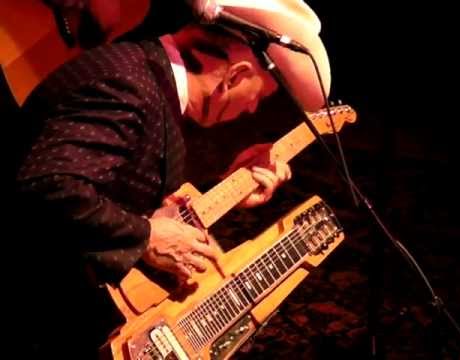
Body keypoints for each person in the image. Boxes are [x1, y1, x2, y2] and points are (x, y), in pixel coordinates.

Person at [11, 0, 331, 358]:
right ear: (236, 75)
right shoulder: (127, 83)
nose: (253, 108)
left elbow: (120, 190)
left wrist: (228, 184)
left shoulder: (152, 81)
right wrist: (147, 237)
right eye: (260, 95)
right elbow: (49, 183)